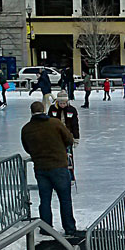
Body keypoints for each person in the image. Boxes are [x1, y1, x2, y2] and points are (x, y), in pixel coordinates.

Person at [21, 101, 78, 237]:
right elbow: (69, 139)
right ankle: (69, 228)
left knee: (44, 200)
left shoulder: (27, 129)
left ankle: (46, 228)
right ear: (44, 109)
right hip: (58, 165)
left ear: (31, 111)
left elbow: (27, 147)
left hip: (41, 167)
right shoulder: (55, 123)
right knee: (65, 199)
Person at [48, 91, 80, 183]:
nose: (63, 105)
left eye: (64, 103)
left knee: (68, 157)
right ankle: (57, 177)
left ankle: (70, 177)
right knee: (56, 157)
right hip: (55, 137)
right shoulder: (52, 109)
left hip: (67, 137)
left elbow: (75, 125)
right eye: (61, 103)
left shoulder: (72, 110)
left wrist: (76, 138)